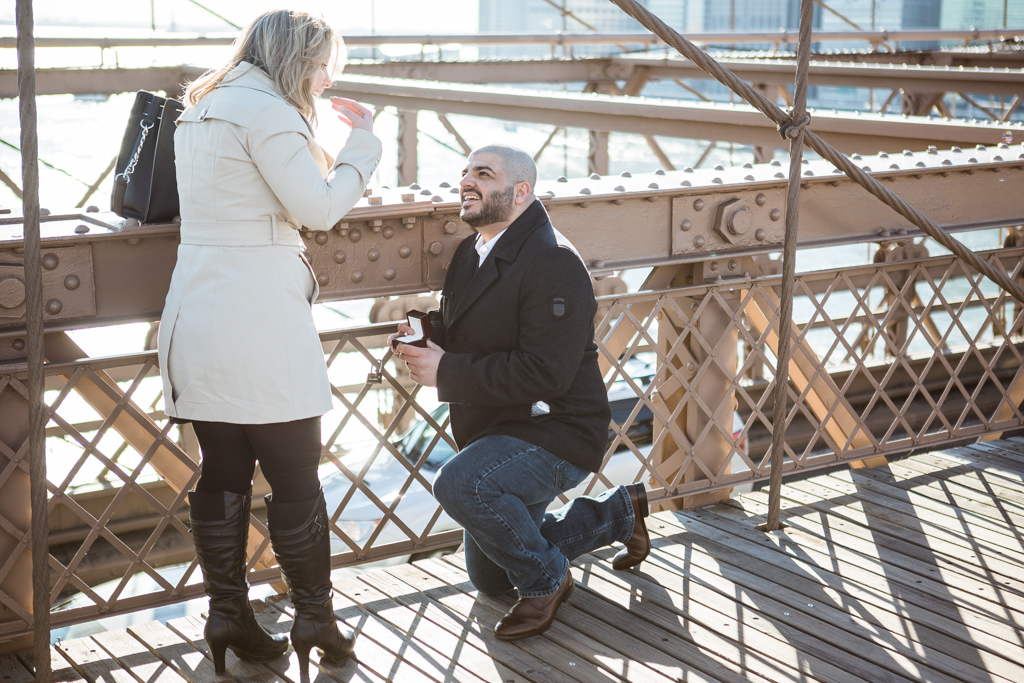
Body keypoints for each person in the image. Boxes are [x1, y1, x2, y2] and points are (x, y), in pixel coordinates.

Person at [157, 10, 381, 677]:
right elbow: (316, 207)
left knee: (223, 471)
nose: (325, 79)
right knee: (294, 474)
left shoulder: (199, 111)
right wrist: (362, 149)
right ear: (297, 58)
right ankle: (318, 616)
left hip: (196, 310)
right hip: (259, 319)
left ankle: (229, 615)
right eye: (322, 66)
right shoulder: (270, 113)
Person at [393, 145, 651, 640]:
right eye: (465, 171)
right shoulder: (474, 249)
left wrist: (446, 372)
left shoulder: (553, 260)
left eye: (483, 174)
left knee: (458, 483)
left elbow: (546, 373)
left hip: (557, 429)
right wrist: (427, 334)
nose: (467, 181)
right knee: (490, 579)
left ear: (520, 192)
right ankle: (620, 512)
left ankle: (547, 581)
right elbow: (478, 329)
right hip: (502, 428)